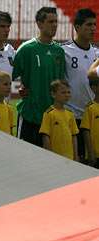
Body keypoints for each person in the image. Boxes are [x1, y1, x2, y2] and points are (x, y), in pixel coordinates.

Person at [13, 7, 65, 147]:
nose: (54, 25)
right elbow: (8, 75)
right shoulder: (26, 49)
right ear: (39, 24)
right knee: (24, 158)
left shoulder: (59, 51)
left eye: (56, 21)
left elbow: (61, 82)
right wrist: (21, 88)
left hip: (53, 116)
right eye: (50, 21)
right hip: (31, 115)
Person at [61, 8, 98, 161]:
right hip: (71, 117)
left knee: (93, 161)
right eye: (88, 25)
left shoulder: (97, 54)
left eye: (94, 25)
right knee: (73, 162)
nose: (93, 29)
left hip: (92, 117)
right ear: (77, 27)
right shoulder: (63, 51)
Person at [39, 80, 79, 160]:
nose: (67, 95)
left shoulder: (70, 114)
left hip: (70, 157)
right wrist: (49, 155)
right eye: (63, 92)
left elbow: (74, 136)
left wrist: (75, 155)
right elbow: (45, 136)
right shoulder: (49, 113)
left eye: (68, 92)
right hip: (55, 158)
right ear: (53, 94)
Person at [80, 76, 99, 168]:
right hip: (95, 155)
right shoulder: (90, 107)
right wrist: (90, 152)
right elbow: (85, 131)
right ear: (94, 88)